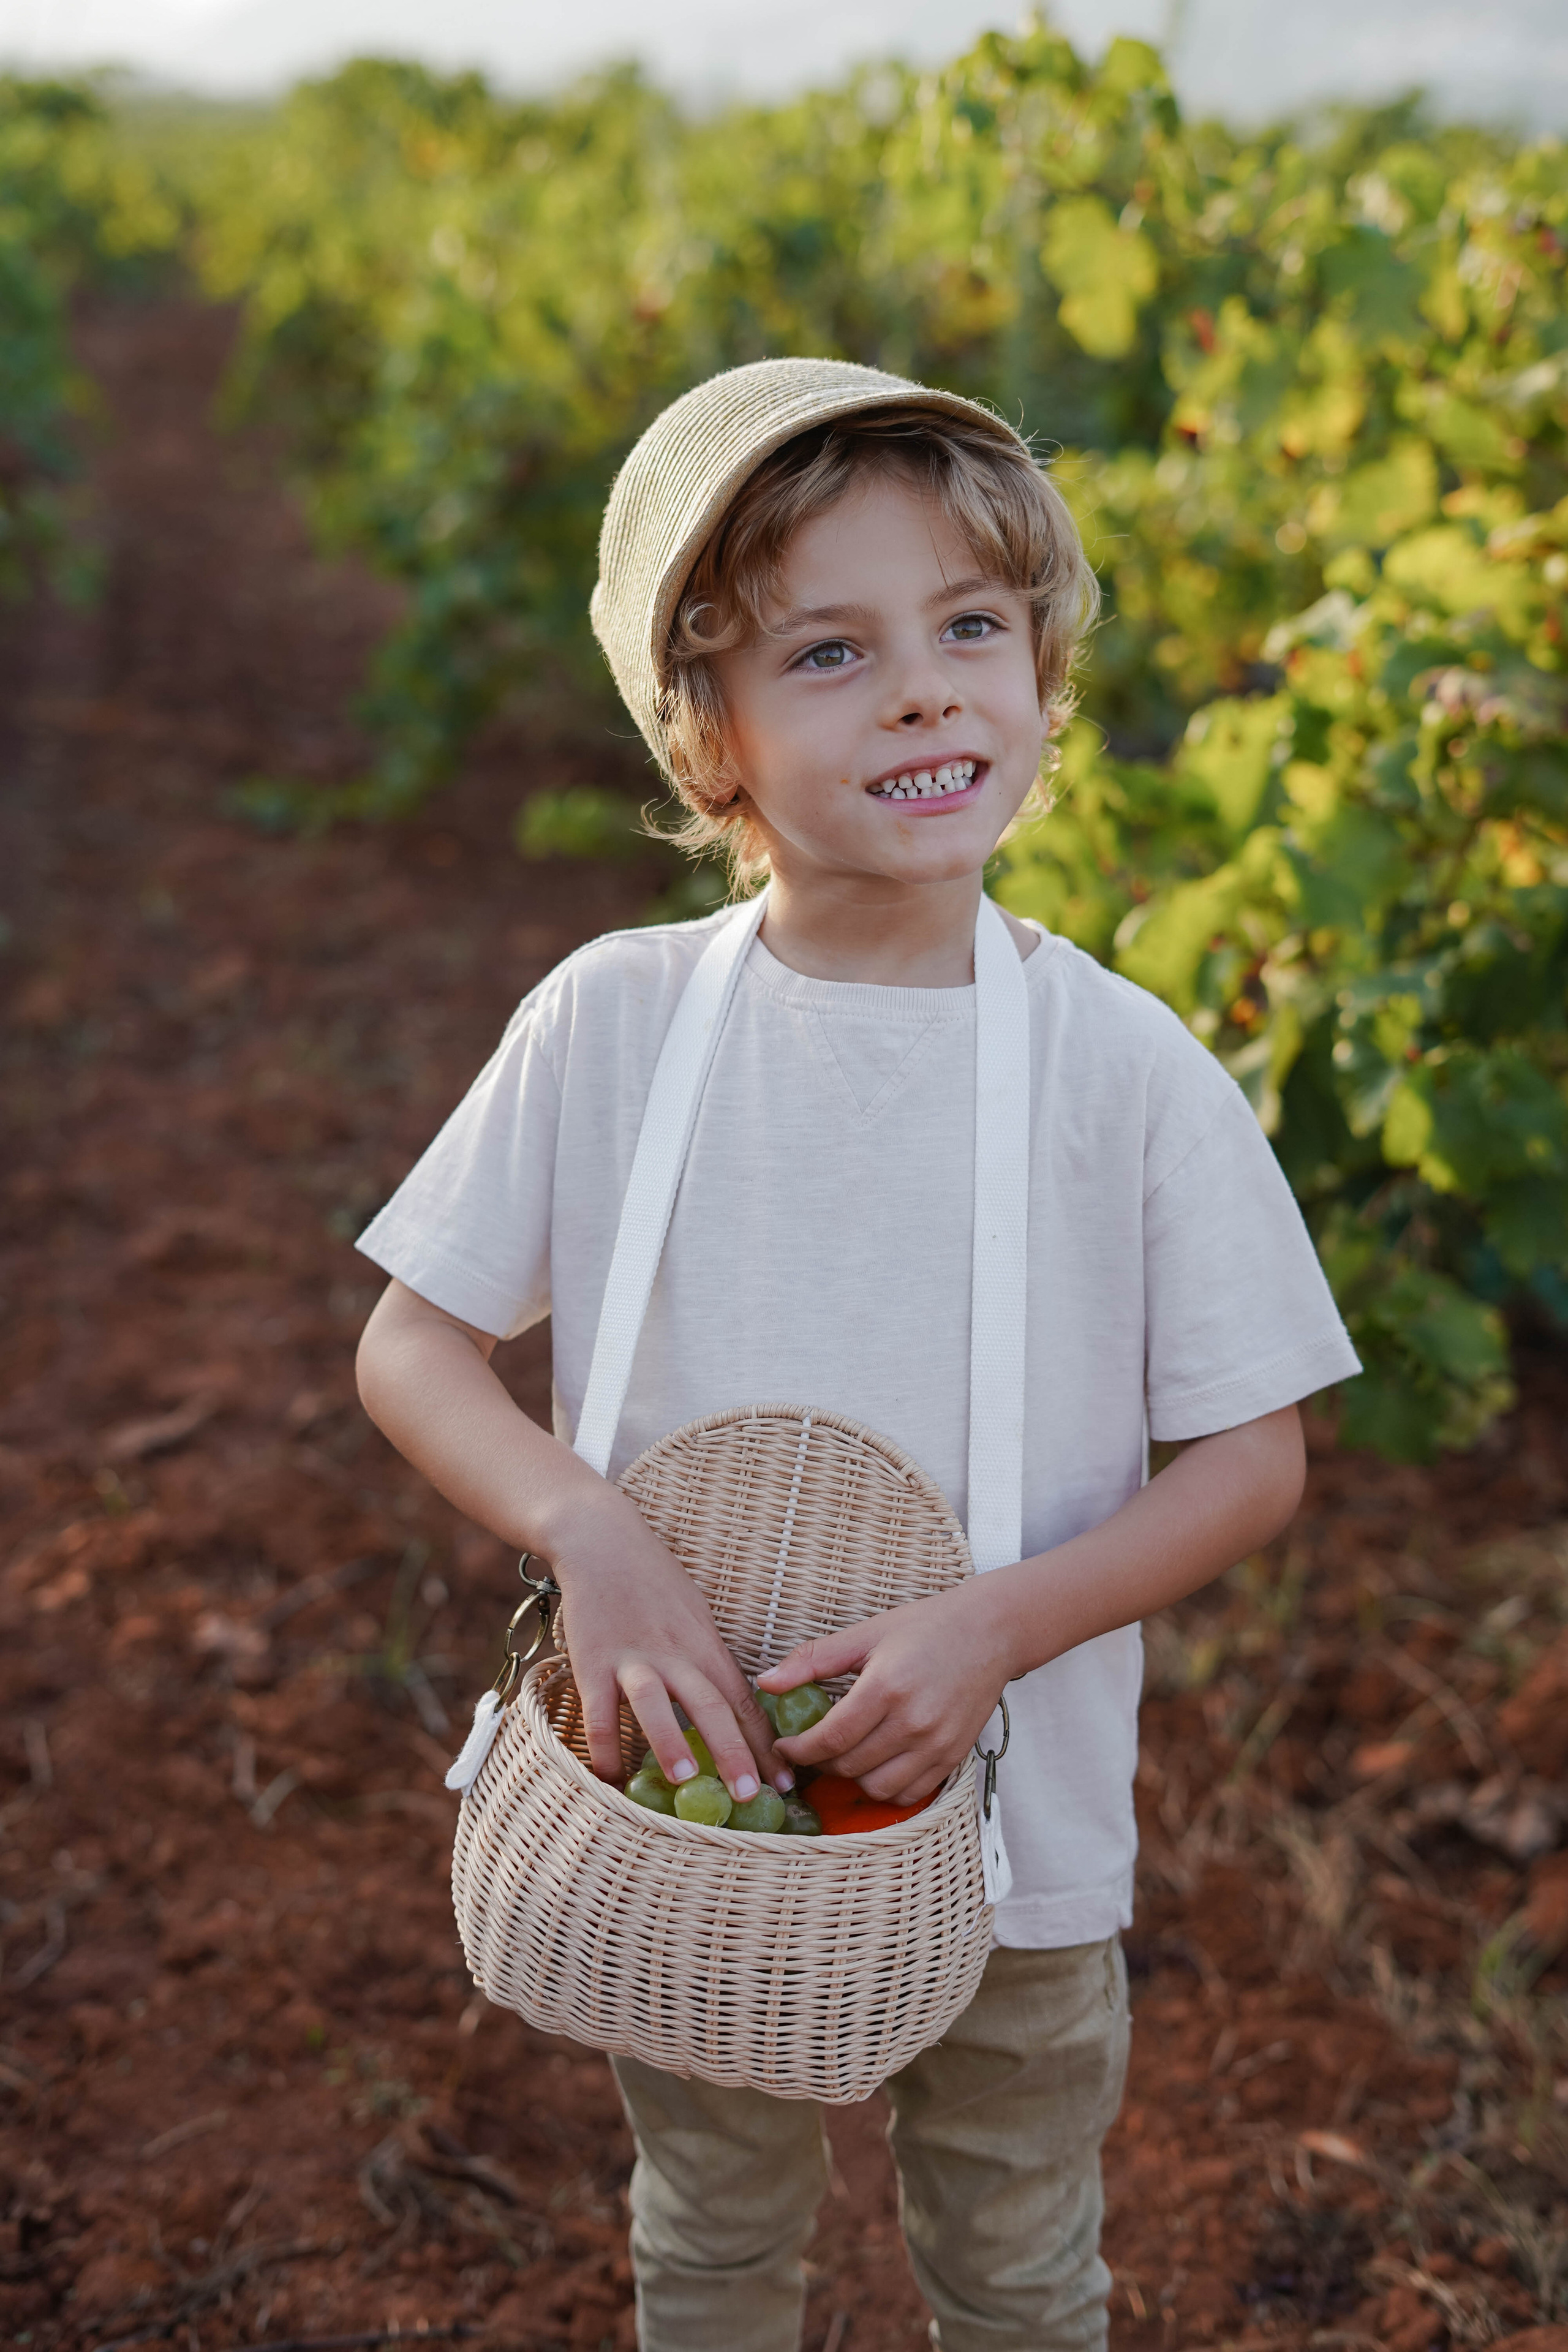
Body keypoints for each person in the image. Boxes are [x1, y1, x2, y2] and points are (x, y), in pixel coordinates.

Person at [353, 358, 1360, 2352]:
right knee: (713, 2242)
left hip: (1011, 1830)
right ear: (710, 737)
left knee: (1013, 2263)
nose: (924, 690)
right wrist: (592, 1533)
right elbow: (416, 1346)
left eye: (972, 629)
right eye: (833, 650)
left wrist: (998, 1628)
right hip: (691, 1801)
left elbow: (1253, 1463)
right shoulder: (615, 1025)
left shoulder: (1126, 1072)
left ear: (1041, 679)